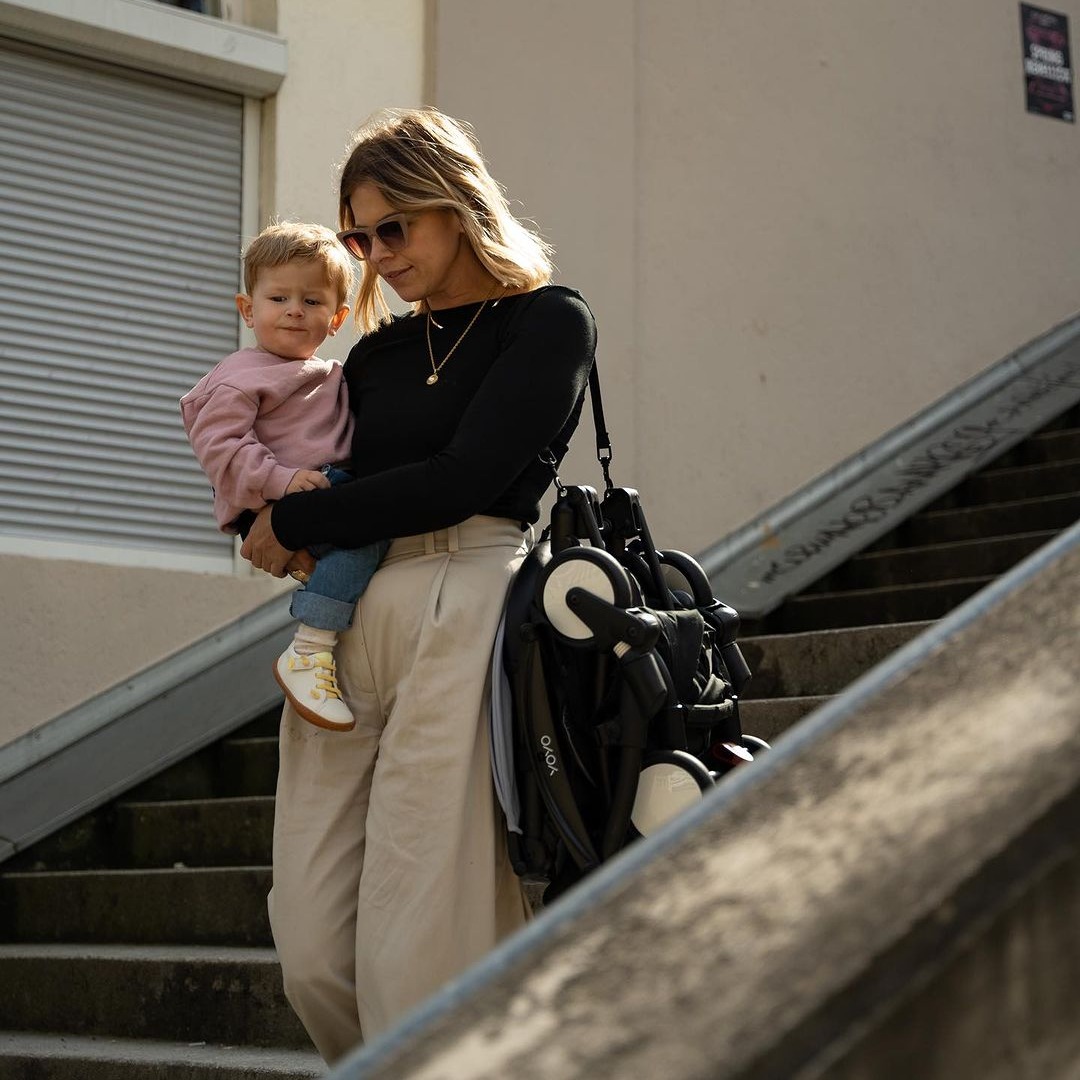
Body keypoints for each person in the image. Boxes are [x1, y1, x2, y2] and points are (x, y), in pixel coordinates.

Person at [240, 107, 597, 1062]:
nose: (375, 254)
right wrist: (259, 509)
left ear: (458, 203)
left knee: (416, 939)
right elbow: (316, 471)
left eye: (394, 227)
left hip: (471, 603)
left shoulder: (547, 321)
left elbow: (465, 478)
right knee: (313, 946)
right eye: (359, 235)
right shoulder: (375, 353)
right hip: (353, 610)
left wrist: (301, 520)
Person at [180, 221, 389, 732]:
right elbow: (221, 448)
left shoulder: (328, 374)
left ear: (337, 318)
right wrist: (279, 481)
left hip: (324, 486)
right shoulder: (240, 376)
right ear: (248, 309)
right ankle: (310, 648)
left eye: (312, 301)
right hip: (291, 493)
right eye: (278, 298)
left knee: (370, 544)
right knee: (365, 538)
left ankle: (329, 612)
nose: (295, 309)